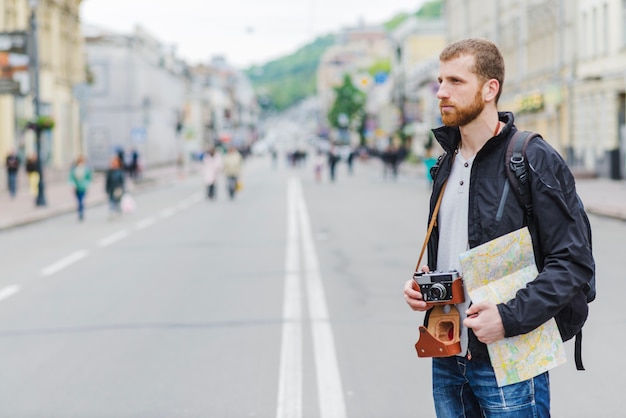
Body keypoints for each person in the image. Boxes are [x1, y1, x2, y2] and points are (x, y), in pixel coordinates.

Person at [402, 38, 594, 417]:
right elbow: (457, 251)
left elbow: (574, 264)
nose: (441, 92)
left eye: (456, 81)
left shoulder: (531, 157)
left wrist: (507, 318)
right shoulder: (445, 165)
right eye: (440, 81)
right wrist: (426, 286)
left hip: (511, 359)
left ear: (491, 89)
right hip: (449, 354)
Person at [68, 155, 93, 221]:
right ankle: (80, 211)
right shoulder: (74, 170)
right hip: (76, 188)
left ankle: (81, 212)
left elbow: (89, 178)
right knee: (78, 200)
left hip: (83, 187)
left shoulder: (86, 169)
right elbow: (71, 178)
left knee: (81, 200)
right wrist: (72, 184)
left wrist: (87, 184)